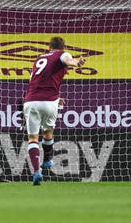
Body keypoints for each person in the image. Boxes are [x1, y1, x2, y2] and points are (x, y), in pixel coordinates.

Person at [23, 37, 85, 186]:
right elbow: (67, 60)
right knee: (48, 133)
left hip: (31, 100)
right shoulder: (62, 54)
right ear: (63, 47)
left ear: (49, 47)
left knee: (32, 138)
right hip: (49, 102)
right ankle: (47, 160)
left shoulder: (38, 59)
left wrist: (57, 98)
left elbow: (34, 81)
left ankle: (37, 171)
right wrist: (77, 62)